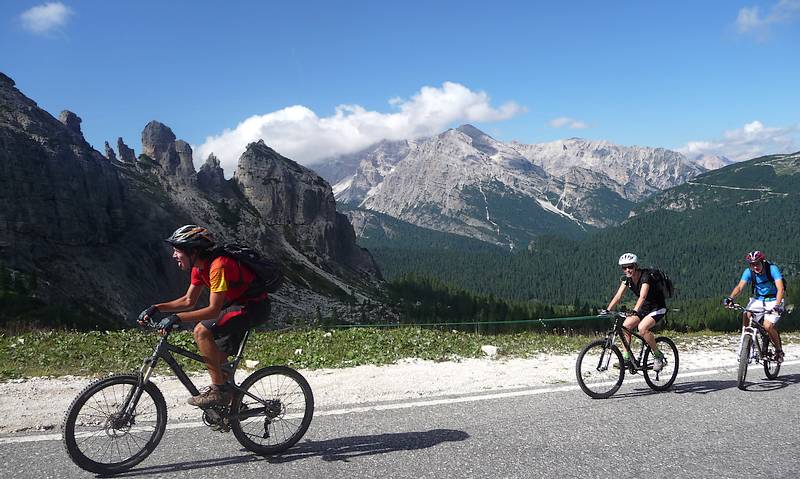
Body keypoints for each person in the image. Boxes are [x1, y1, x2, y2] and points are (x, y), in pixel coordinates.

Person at [138, 225, 270, 407]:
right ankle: (231, 405)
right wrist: (156, 308)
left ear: (193, 252)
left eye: (177, 251)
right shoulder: (199, 268)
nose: (173, 256)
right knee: (218, 357)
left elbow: (214, 310)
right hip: (235, 306)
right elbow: (188, 300)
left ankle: (218, 392)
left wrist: (176, 318)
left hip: (253, 307)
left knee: (201, 331)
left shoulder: (218, 267)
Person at [603, 253, 668, 371]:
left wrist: (634, 310)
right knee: (625, 326)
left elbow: (642, 296)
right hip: (644, 309)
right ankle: (627, 358)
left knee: (642, 328)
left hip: (657, 308)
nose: (627, 270)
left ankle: (658, 356)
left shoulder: (645, 277)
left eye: (630, 267)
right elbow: (618, 296)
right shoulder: (627, 280)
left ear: (636, 266)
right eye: (624, 267)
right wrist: (608, 309)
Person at [723, 250, 785, 363]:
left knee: (767, 326)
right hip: (758, 299)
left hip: (774, 299)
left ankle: (778, 350)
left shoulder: (772, 269)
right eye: (752, 264)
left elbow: (780, 288)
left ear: (762, 262)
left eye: (757, 263)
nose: (755, 267)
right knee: (746, 313)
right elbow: (740, 287)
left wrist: (777, 305)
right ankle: (746, 343)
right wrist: (730, 298)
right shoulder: (748, 272)